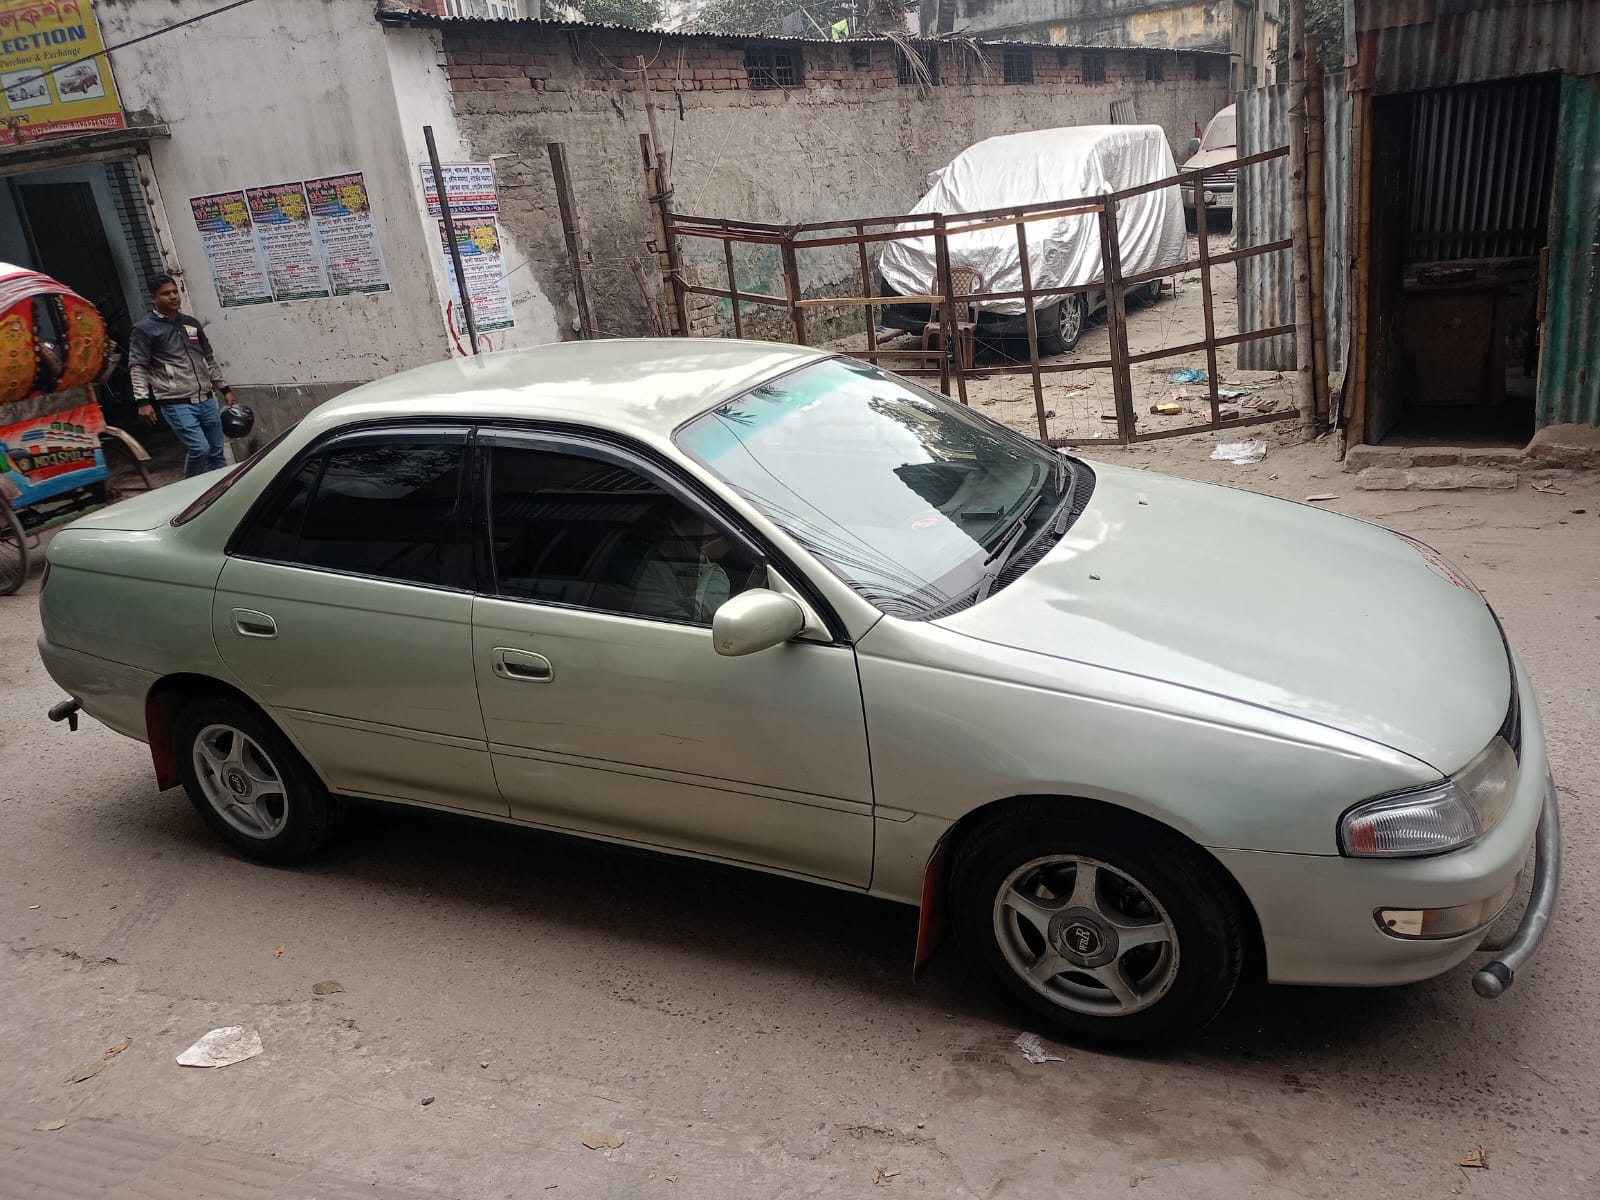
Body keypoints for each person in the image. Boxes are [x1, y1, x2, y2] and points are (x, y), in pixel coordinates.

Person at [128, 274, 235, 477]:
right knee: (199, 449)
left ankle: (220, 494)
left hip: (205, 399)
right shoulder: (144, 329)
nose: (173, 297)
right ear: (153, 298)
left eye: (175, 291)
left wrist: (224, 389)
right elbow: (138, 366)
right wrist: (142, 401)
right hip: (175, 402)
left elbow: (208, 358)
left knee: (216, 452)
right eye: (166, 293)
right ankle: (190, 493)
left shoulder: (191, 324)